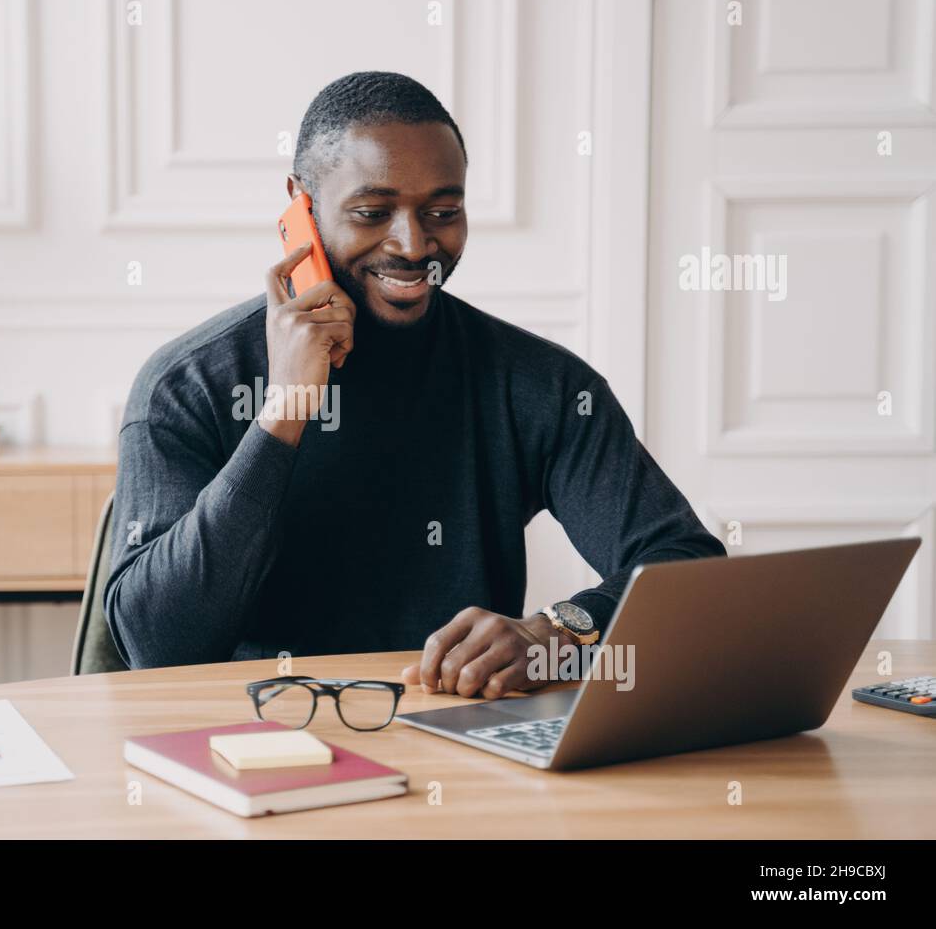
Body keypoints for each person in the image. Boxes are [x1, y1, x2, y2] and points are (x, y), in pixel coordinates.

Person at [105, 71, 725, 699]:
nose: (414, 243)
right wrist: (283, 410)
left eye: (443, 212)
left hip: (458, 742)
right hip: (261, 742)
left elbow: (690, 572)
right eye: (373, 213)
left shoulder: (543, 387)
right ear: (302, 206)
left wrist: (557, 634)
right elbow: (158, 646)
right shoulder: (188, 385)